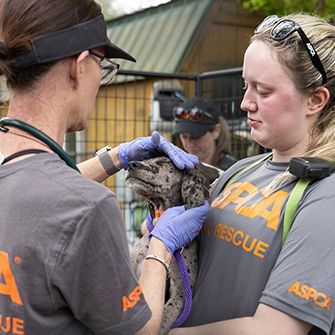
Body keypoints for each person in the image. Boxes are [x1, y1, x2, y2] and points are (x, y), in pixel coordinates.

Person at [0, 1, 209, 334]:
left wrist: (117, 157)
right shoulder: (88, 207)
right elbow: (140, 330)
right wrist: (161, 246)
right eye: (103, 64)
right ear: (79, 66)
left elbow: (32, 190)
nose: (101, 77)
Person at [169, 13, 335, 335]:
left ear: (315, 100)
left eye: (264, 91)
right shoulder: (240, 170)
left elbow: (276, 329)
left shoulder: (324, 194)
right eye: (246, 86)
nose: (245, 103)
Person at [172, 97, 237, 173]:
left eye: (196, 136)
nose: (190, 144)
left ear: (216, 131)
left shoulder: (232, 171)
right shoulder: (178, 168)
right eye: (184, 136)